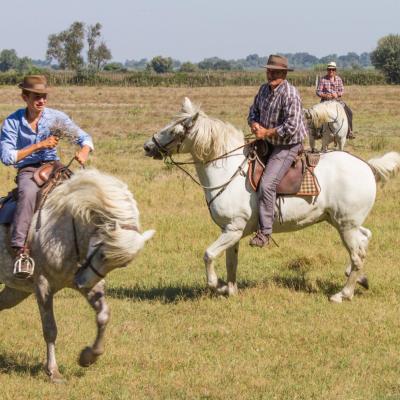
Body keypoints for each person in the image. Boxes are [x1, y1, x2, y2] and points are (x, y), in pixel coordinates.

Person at [0, 75, 94, 278]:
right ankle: (21, 251)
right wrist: (38, 145)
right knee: (27, 194)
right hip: (28, 169)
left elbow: (84, 137)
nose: (41, 101)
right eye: (36, 97)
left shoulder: (55, 117)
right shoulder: (12, 122)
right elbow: (7, 157)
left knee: (85, 193)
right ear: (24, 97)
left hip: (55, 167)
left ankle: (92, 246)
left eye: (44, 97)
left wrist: (84, 150)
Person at [248, 55, 307, 248]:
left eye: (274, 72)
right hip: (266, 140)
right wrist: (255, 124)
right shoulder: (263, 90)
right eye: (268, 71)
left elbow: (291, 127)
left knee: (267, 184)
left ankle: (265, 232)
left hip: (288, 145)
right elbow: (253, 111)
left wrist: (266, 132)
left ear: (283, 73)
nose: (270, 74)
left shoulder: (290, 93)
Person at [316, 61, 355, 139]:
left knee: (349, 112)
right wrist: (325, 95)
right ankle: (318, 132)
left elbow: (342, 90)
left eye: (333, 69)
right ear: (327, 70)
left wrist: (337, 94)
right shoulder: (323, 79)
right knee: (317, 114)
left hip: (337, 101)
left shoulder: (339, 79)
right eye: (329, 69)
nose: (331, 71)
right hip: (325, 101)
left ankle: (349, 131)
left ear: (335, 70)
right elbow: (318, 91)